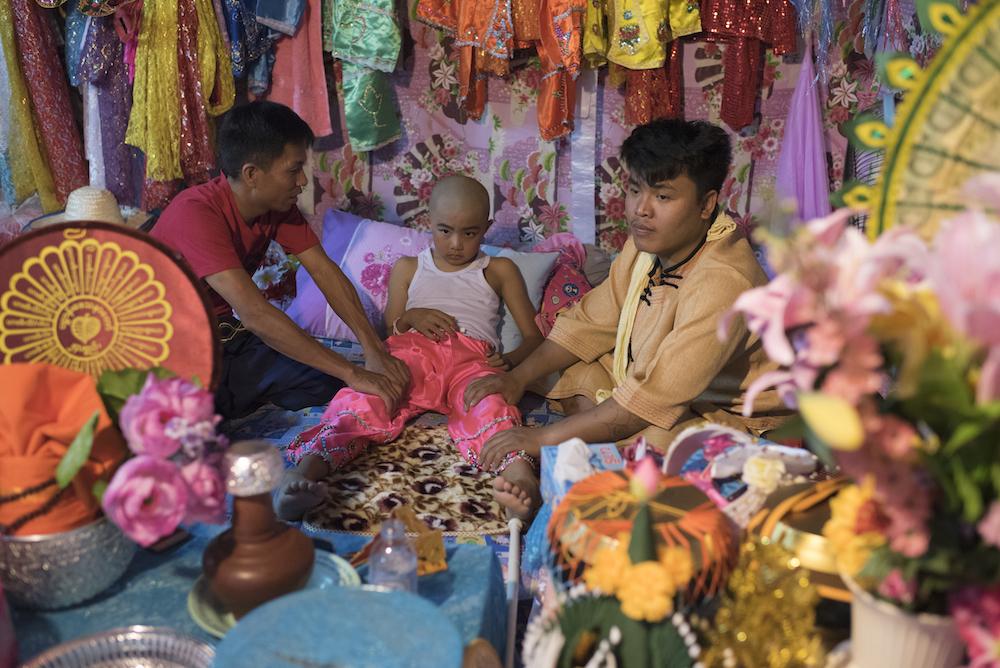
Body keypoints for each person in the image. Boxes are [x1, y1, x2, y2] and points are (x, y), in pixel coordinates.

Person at [463, 119, 793, 519]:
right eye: (635, 189)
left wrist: (539, 438)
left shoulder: (724, 281)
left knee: (660, 437)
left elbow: (652, 402)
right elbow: (587, 325)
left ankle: (572, 461)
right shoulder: (648, 246)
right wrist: (516, 378)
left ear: (706, 205)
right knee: (561, 369)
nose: (640, 210)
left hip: (728, 418)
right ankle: (599, 440)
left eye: (663, 196)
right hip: (648, 382)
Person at [277, 175, 544, 520]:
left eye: (470, 233)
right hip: (414, 352)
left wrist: (508, 363)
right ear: (428, 222)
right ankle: (304, 473)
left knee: (490, 404)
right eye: (445, 230)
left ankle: (520, 480)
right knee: (369, 396)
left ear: (488, 228)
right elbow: (391, 326)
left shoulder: (499, 269)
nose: (456, 244)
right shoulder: (408, 267)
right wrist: (413, 316)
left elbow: (534, 336)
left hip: (472, 360)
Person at [152, 101, 409, 419]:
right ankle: (209, 408)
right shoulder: (196, 213)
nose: (302, 181)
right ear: (251, 174)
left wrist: (373, 348)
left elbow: (323, 269)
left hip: (225, 342)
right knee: (189, 425)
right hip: (167, 353)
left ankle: (222, 402)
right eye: (293, 169)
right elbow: (255, 314)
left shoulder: (277, 207)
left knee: (325, 381)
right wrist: (353, 372)